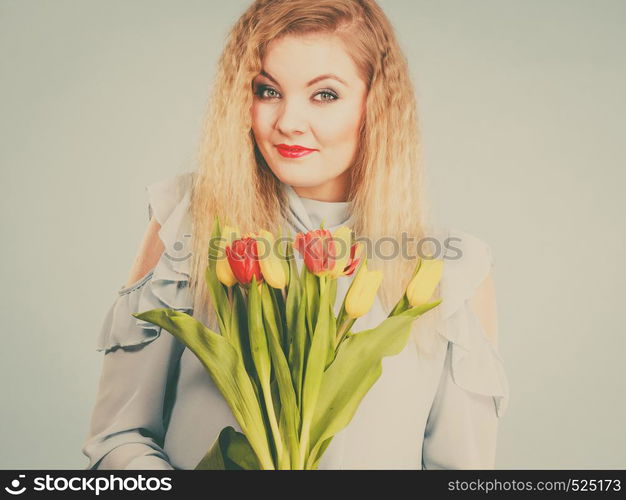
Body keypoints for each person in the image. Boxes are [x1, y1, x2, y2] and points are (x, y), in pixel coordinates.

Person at [82, 0, 509, 470]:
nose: (287, 121)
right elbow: (118, 437)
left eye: (324, 94)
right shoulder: (190, 221)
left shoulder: (449, 268)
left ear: (377, 105)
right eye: (267, 90)